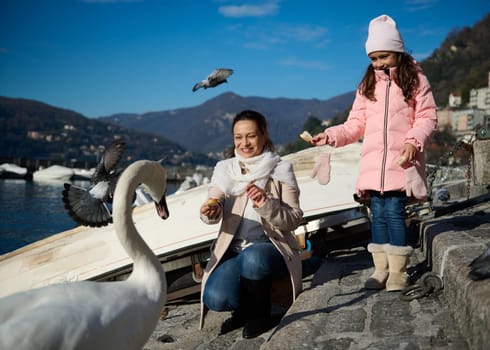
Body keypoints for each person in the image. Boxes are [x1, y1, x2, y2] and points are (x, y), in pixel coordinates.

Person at [310, 14, 437, 292]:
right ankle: (381, 270)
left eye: (384, 56)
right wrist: (330, 135)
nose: (379, 63)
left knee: (393, 212)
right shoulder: (368, 85)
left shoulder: (415, 79)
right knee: (377, 215)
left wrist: (413, 141)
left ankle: (399, 272)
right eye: (374, 58)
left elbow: (427, 117)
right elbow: (355, 124)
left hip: (400, 161)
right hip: (372, 165)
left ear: (398, 51)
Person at [198, 110, 304, 338]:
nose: (244, 143)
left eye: (251, 136)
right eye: (238, 137)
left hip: (272, 247)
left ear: (264, 135)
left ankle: (261, 314)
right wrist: (209, 210)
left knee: (253, 258)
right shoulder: (225, 169)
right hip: (234, 250)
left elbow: (294, 219)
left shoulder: (280, 169)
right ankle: (243, 311)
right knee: (217, 298)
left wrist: (266, 204)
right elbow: (212, 205)